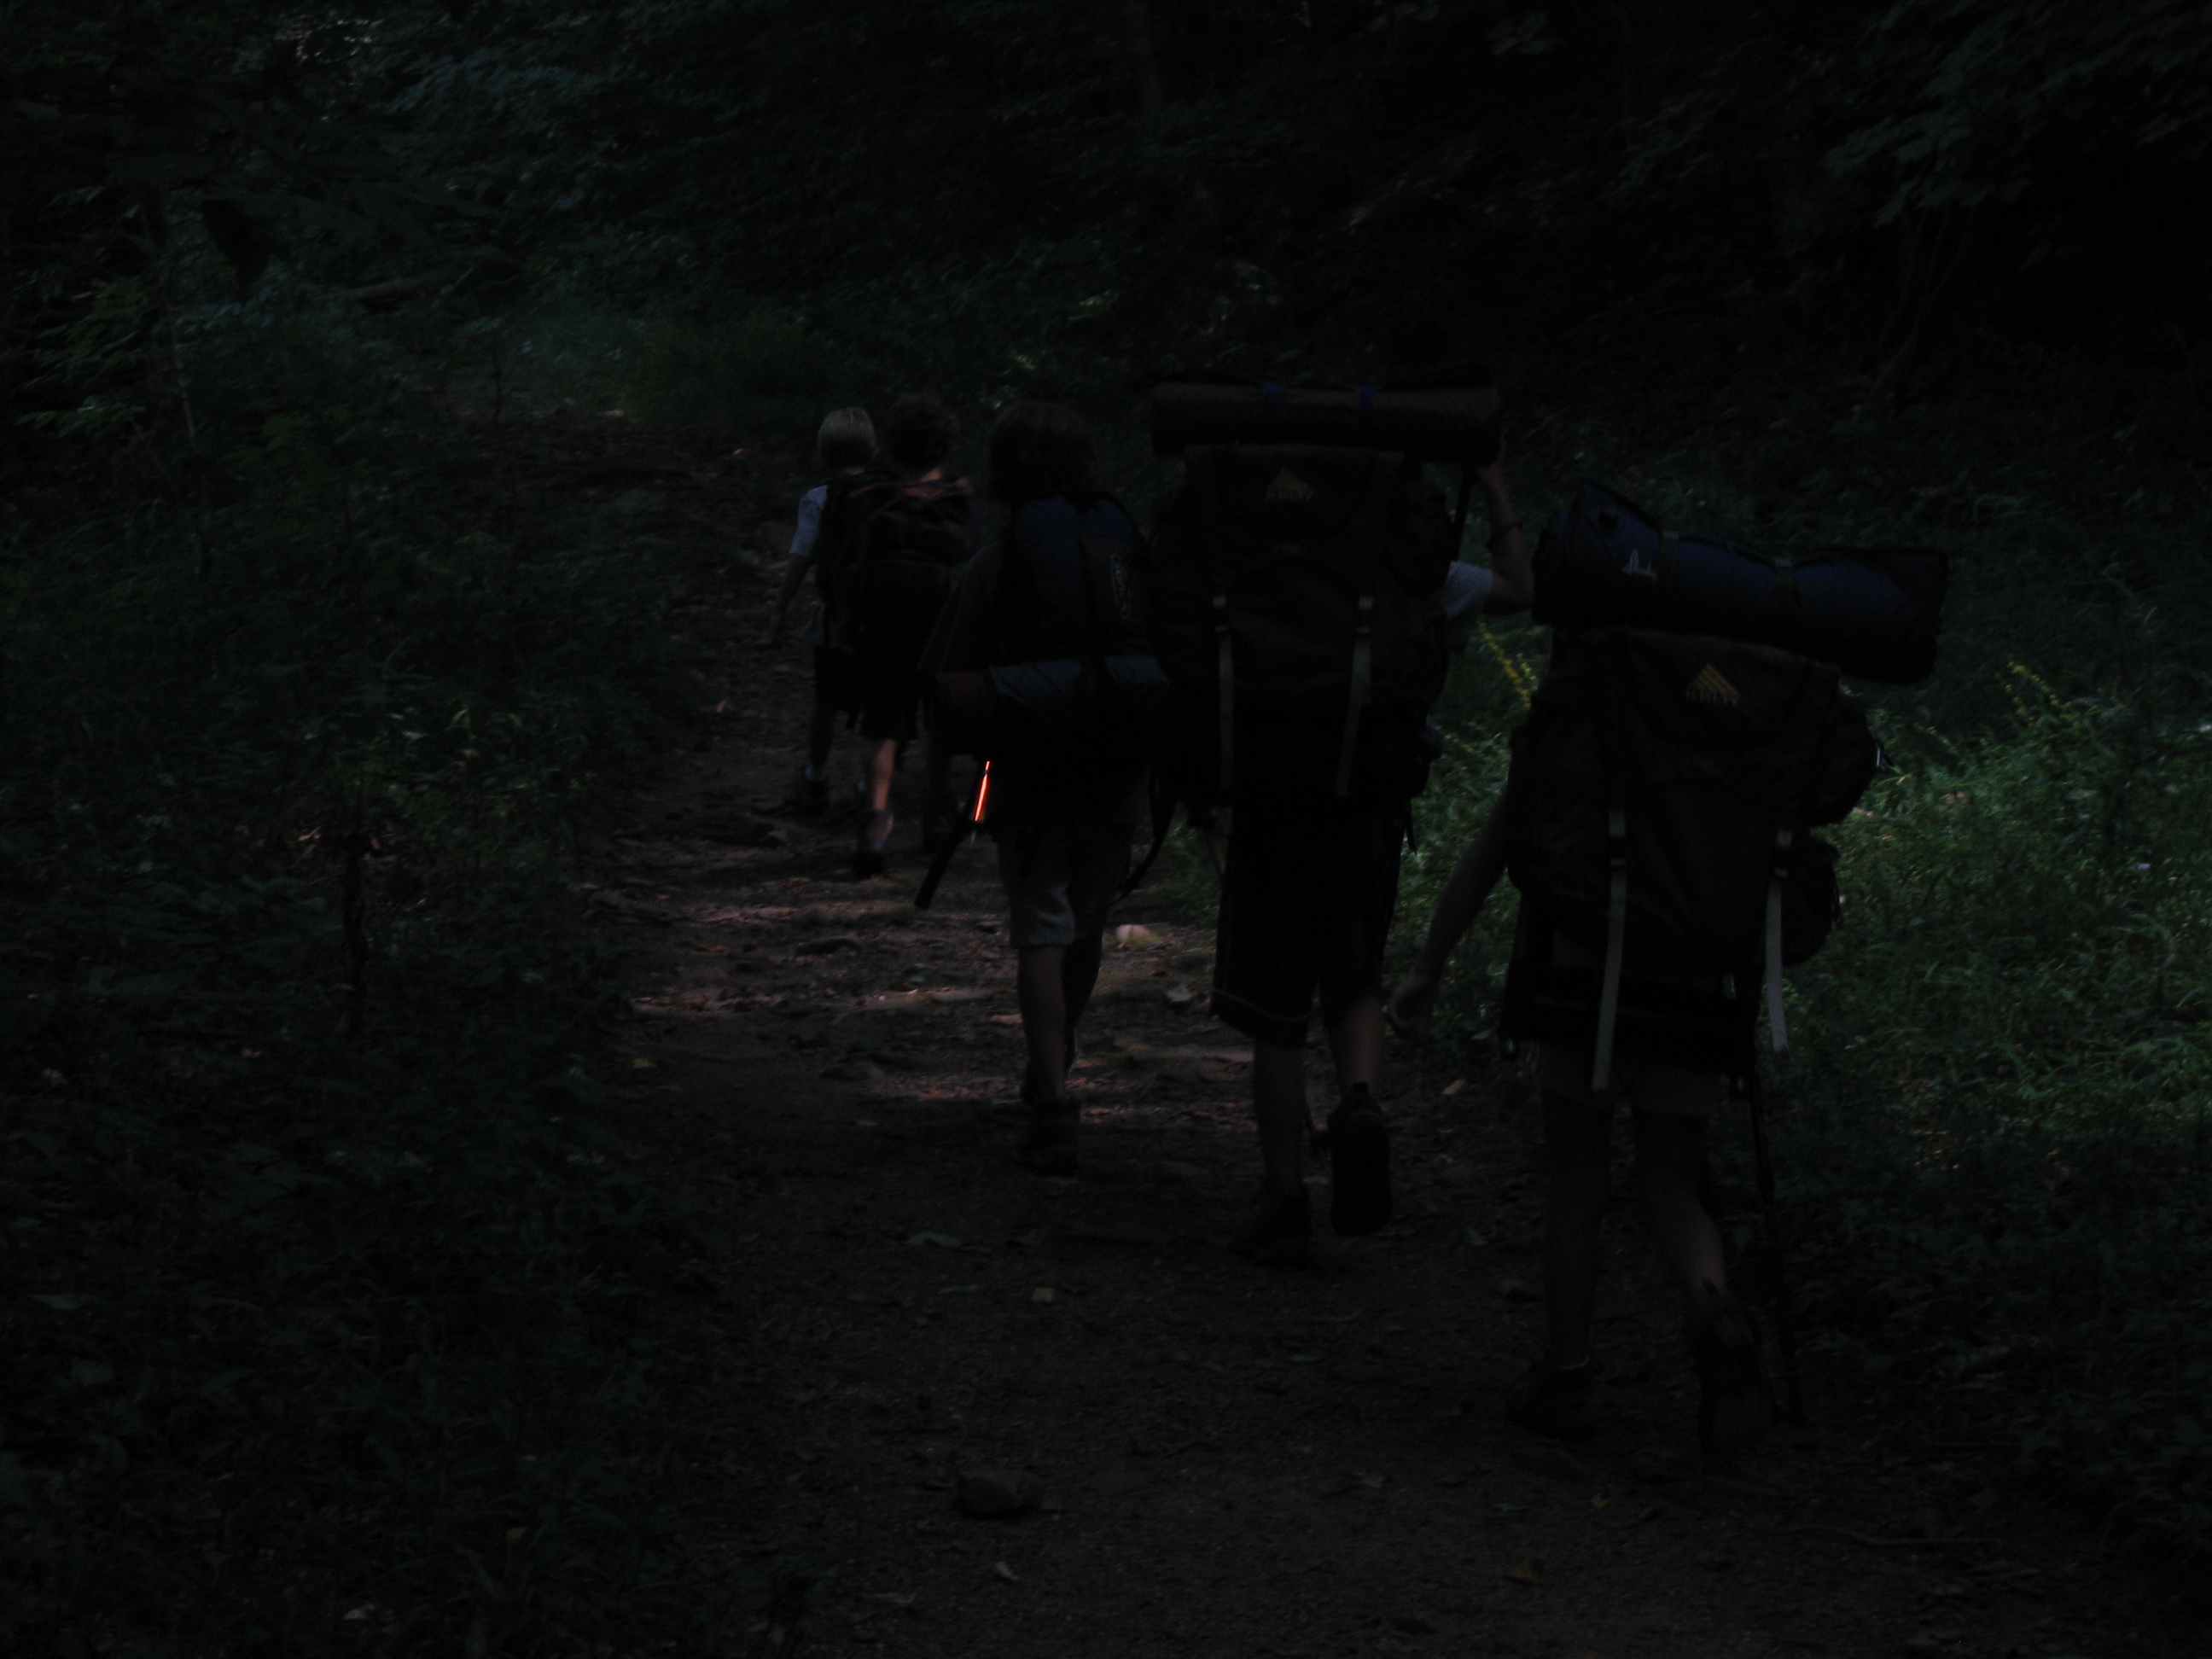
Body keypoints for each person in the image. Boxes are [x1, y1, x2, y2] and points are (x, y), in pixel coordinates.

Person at [1387, 733, 1775, 1463]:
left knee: (1577, 1181)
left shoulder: (1578, 717)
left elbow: (1492, 852)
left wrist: (1428, 968)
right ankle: (1712, 1306)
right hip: (1694, 984)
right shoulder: (1728, 726)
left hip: (1579, 981)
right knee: (1671, 1186)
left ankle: (1565, 1381)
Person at [1211, 455, 1534, 1266]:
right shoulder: (1408, 567)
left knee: (1277, 1004)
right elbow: (1518, 589)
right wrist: (1493, 484)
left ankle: (1284, 1198)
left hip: (1269, 793)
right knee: (1355, 974)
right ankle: (1359, 1101)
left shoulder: (1251, 548)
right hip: (1369, 797)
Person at [923, 403, 1154, 1173]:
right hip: (1119, 758)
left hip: (1030, 765)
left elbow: (949, 680)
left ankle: (1052, 1097)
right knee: (1085, 923)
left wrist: (940, 784)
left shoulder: (1001, 559)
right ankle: (1057, 1055)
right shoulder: (1126, 548)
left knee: (1041, 924)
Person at [832, 393, 973, 876]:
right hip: (941, 625)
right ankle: (939, 813)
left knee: (882, 726)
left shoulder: (869, 501)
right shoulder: (959, 503)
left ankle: (873, 826)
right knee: (942, 719)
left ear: (891, 448)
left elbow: (844, 568)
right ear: (946, 448)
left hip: (882, 626)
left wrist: (846, 623)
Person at [770, 407, 879, 812]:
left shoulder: (819, 499)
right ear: (872, 450)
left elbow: (801, 556)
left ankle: (815, 777)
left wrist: (780, 609)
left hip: (835, 619)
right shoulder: (890, 496)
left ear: (823, 454)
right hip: (881, 619)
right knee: (875, 704)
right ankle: (870, 786)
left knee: (825, 699)